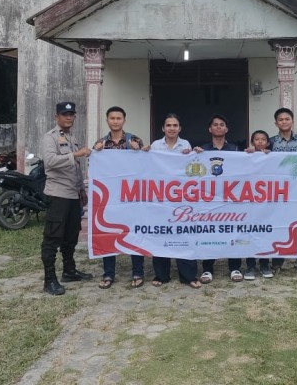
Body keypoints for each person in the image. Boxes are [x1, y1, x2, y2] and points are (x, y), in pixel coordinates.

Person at [40, 101, 94, 295]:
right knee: (53, 237)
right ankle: (49, 279)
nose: (69, 117)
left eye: (71, 114)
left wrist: (82, 190)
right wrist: (75, 154)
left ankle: (69, 271)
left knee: (71, 234)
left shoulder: (72, 137)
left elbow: (76, 169)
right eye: (65, 114)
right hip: (58, 194)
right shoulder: (50, 138)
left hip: (73, 195)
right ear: (57, 117)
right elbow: (51, 162)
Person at [92, 106, 145, 289]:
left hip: (131, 196)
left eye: (118, 118)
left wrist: (140, 150)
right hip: (110, 198)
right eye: (112, 118)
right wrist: (95, 152)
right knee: (108, 233)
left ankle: (138, 272)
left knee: (134, 233)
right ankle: (108, 274)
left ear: (124, 120)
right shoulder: (100, 144)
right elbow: (95, 169)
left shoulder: (134, 140)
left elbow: (145, 164)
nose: (115, 121)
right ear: (107, 120)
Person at [148, 113, 201, 289]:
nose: (172, 128)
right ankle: (161, 275)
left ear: (180, 128)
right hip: (160, 197)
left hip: (181, 197)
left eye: (175, 125)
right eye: (168, 125)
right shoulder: (155, 145)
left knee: (183, 234)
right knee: (161, 234)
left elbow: (191, 169)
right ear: (163, 128)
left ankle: (188, 276)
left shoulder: (185, 144)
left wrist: (196, 154)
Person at [192, 114, 241, 283]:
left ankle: (235, 267)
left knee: (232, 231)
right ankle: (207, 269)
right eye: (215, 124)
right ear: (210, 129)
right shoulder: (202, 149)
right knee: (209, 232)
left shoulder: (235, 150)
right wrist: (193, 154)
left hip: (230, 198)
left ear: (226, 129)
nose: (218, 127)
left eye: (222, 124)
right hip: (209, 199)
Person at [267, 107, 297, 276]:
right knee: (278, 225)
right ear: (276, 123)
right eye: (281, 120)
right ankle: (277, 262)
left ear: (292, 121)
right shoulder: (271, 142)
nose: (284, 122)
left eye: (287, 119)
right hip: (278, 192)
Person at [243, 130, 272, 280]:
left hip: (266, 202)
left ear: (267, 143)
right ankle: (250, 265)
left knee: (264, 232)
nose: (260, 142)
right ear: (251, 142)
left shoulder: (272, 157)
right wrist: (248, 154)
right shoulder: (246, 155)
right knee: (250, 232)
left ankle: (265, 264)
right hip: (249, 201)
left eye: (263, 139)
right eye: (256, 139)